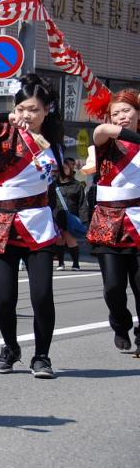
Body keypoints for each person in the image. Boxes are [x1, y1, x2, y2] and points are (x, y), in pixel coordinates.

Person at [0, 73, 63, 379]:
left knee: (41, 296)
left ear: (47, 110)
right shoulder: (2, 130)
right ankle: (10, 347)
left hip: (38, 224)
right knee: (5, 298)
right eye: (21, 109)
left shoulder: (54, 143)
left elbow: (53, 181)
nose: (27, 115)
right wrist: (7, 116)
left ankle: (42, 356)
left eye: (33, 109)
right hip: (2, 223)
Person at [84, 88, 140, 354]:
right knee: (113, 287)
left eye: (127, 111)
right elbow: (102, 130)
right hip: (108, 222)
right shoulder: (104, 139)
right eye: (116, 113)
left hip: (138, 220)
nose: (121, 117)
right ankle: (120, 323)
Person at [50, 157, 88, 270]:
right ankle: (61, 263)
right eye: (62, 168)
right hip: (57, 216)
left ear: (70, 169)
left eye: (66, 168)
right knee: (59, 240)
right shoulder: (53, 185)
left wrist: (84, 220)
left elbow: (82, 204)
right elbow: (49, 201)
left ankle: (76, 263)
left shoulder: (77, 185)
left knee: (71, 239)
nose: (64, 170)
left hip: (71, 216)